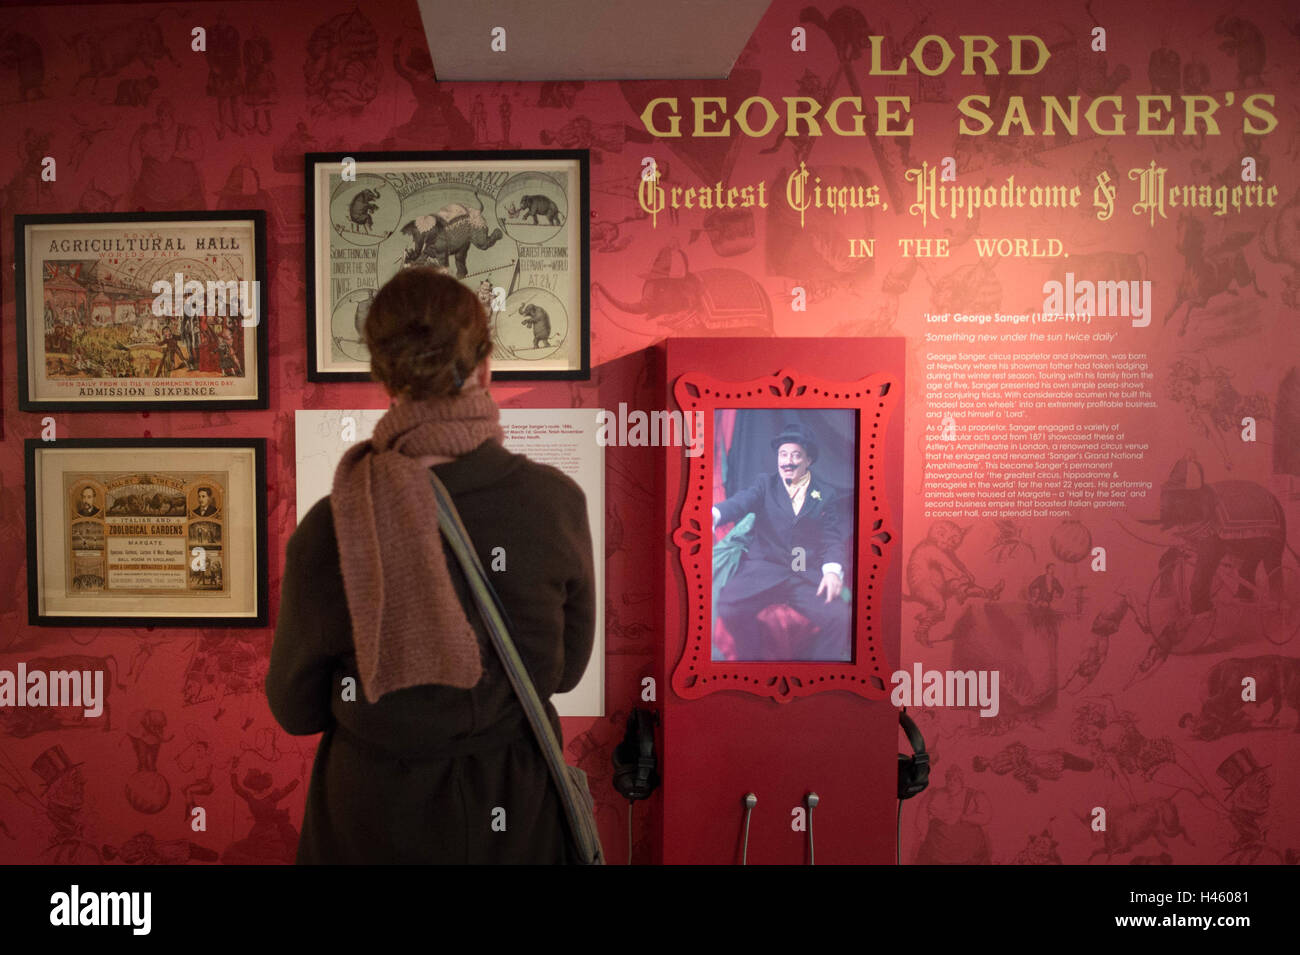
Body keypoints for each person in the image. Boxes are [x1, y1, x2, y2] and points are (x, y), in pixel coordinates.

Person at [266, 267, 596, 864]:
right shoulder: (555, 503)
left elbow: (295, 708)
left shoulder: (332, 524)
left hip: (373, 818)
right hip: (516, 811)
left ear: (385, 379)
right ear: (485, 367)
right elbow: (567, 671)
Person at [711, 423, 851, 661]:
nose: (788, 461)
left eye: (796, 455)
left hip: (803, 575)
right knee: (729, 607)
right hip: (764, 570)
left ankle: (816, 671)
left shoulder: (824, 494)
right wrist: (715, 514)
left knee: (839, 617)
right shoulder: (765, 484)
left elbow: (832, 539)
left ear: (808, 460)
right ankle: (752, 660)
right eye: (783, 454)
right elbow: (741, 502)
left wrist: (832, 571)